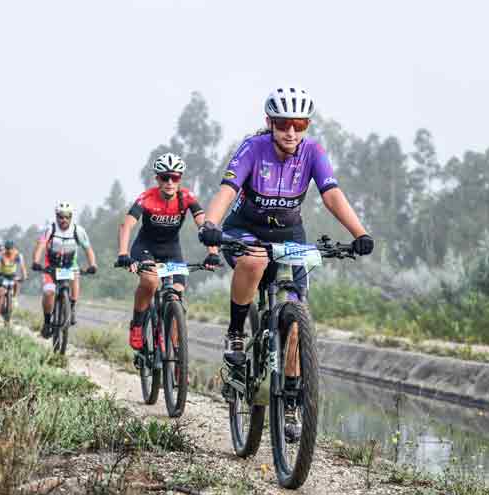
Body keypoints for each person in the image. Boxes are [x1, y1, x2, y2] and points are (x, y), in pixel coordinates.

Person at [197, 86, 375, 439]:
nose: (290, 132)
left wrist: (360, 233)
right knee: (254, 262)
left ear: (306, 125)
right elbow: (227, 191)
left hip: (290, 233)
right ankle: (235, 334)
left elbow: (331, 194)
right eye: (283, 124)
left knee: (295, 319)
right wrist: (211, 225)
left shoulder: (313, 152)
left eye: (299, 123)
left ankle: (292, 402)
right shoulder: (253, 148)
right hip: (245, 228)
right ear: (270, 123)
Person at [115, 153, 220, 350]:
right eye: (165, 177)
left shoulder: (187, 198)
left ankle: (178, 356)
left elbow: (204, 226)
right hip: (145, 248)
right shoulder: (146, 198)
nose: (170, 182)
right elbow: (126, 225)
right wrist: (123, 254)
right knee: (151, 281)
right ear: (157, 179)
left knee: (177, 295)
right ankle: (137, 324)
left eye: (175, 177)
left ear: (180, 179)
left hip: (172, 250)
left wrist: (212, 252)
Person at [31, 202, 97, 337]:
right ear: (57, 216)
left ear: (71, 217)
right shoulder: (50, 229)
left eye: (67, 217)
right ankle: (47, 322)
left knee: (75, 278)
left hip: (69, 265)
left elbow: (88, 249)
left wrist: (93, 264)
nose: (64, 220)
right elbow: (41, 246)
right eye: (61, 217)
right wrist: (36, 262)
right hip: (51, 265)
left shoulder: (78, 230)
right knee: (49, 292)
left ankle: (71, 307)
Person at [0, 239, 27, 319]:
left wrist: (24, 276)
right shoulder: (1, 255)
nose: (8, 251)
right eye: (7, 249)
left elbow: (23, 267)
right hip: (2, 275)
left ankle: (14, 297)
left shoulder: (18, 255)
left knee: (17, 282)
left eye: (10, 249)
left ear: (13, 248)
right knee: (1, 295)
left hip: (12, 275)